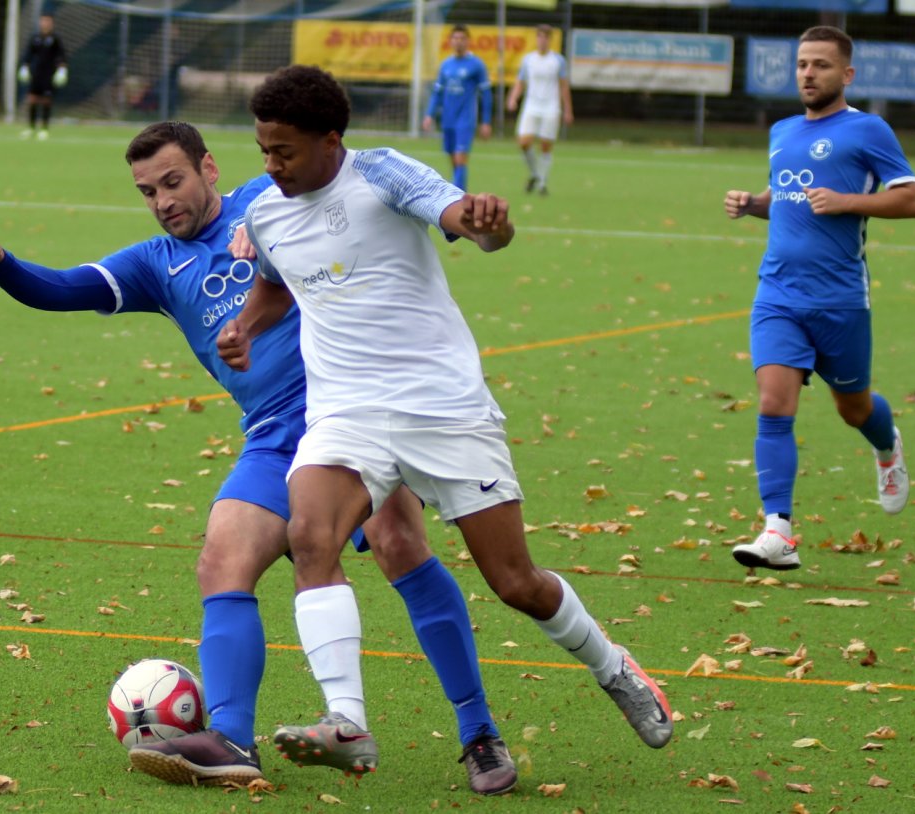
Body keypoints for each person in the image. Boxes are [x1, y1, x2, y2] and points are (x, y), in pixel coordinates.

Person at [0, 121, 518, 796]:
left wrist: (265, 221)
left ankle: (479, 732)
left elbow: (319, 174)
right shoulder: (155, 265)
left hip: (349, 409)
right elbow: (64, 288)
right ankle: (231, 740)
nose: (162, 200)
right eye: (147, 191)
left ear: (208, 169)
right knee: (223, 557)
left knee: (398, 542)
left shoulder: (266, 194)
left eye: (173, 181)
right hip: (276, 434)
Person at [218, 65, 673, 788]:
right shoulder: (268, 214)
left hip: (442, 406)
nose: (270, 167)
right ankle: (347, 720)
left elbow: (465, 220)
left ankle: (614, 668)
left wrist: (491, 224)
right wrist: (244, 326)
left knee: (516, 581)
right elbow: (277, 283)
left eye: (284, 152)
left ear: (330, 140)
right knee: (311, 535)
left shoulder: (383, 175)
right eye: (263, 149)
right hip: (346, 411)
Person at [723, 26, 915, 572]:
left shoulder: (868, 130)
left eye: (821, 66)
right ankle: (778, 531)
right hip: (778, 294)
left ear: (846, 75)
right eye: (802, 65)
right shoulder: (783, 129)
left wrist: (849, 200)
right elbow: (787, 197)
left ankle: (886, 445)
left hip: (840, 301)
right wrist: (753, 203)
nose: (808, 74)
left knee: (852, 408)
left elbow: (911, 199)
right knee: (773, 403)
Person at [422, 24, 491, 191]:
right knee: (453, 159)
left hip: (466, 119)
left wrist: (486, 121)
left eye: (462, 38)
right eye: (455, 38)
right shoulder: (446, 65)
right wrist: (429, 115)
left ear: (468, 41)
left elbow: (486, 94)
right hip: (448, 119)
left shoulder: (476, 65)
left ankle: (455, 197)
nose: (458, 42)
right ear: (450, 41)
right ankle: (461, 192)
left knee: (461, 159)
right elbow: (437, 93)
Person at [505, 24, 572, 196]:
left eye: (545, 37)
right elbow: (521, 82)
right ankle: (535, 173)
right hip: (531, 106)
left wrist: (567, 110)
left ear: (550, 40)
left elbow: (564, 86)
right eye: (539, 37)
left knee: (545, 145)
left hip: (551, 107)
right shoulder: (529, 59)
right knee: (524, 142)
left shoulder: (558, 60)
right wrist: (513, 98)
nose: (542, 40)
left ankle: (542, 183)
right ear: (536, 39)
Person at [18, 13, 67, 141]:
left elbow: (61, 56)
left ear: (51, 23)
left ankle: (44, 129)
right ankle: (31, 128)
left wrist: (62, 69)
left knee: (46, 100)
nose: (45, 24)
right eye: (43, 21)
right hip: (36, 74)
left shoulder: (55, 39)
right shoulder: (35, 38)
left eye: (47, 21)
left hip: (49, 74)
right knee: (32, 99)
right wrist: (24, 66)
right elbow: (28, 54)